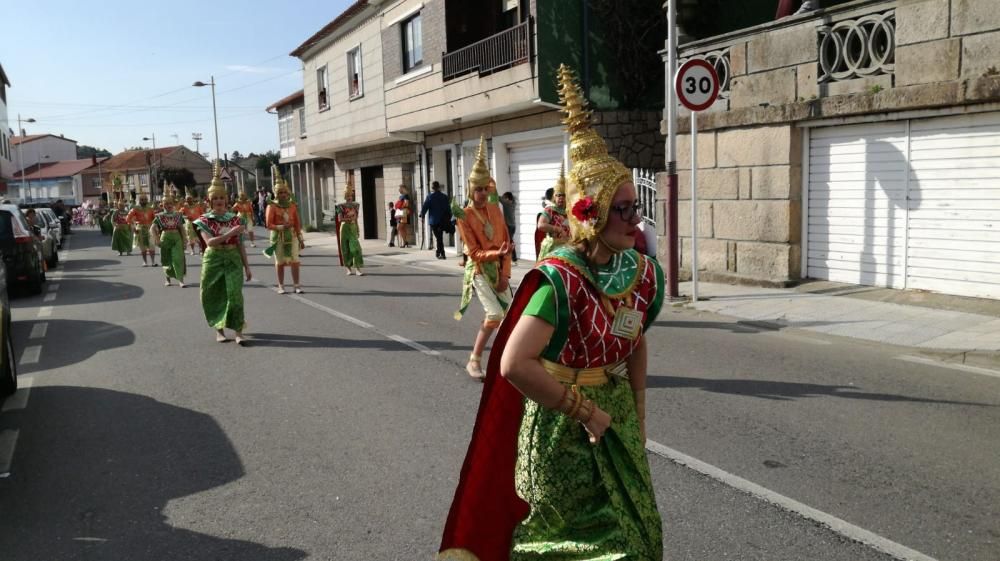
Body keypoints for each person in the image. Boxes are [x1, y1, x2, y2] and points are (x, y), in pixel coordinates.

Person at [438, 64, 666, 561]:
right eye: (623, 209)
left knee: (637, 535)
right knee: (568, 546)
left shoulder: (640, 272)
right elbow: (514, 364)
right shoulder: (558, 281)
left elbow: (637, 339)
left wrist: (637, 416)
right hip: (562, 427)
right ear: (592, 215)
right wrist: (586, 412)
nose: (636, 219)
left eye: (634, 207)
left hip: (617, 417)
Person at [453, 135, 513, 381]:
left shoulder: (495, 210)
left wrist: (506, 275)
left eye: (484, 188)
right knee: (496, 316)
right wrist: (496, 255)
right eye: (476, 189)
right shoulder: (464, 215)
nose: (481, 193)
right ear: (470, 189)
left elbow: (507, 245)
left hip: (499, 269)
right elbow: (475, 253)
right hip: (478, 269)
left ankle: (510, 362)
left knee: (511, 317)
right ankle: (474, 360)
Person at [194, 162, 252, 346]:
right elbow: (209, 242)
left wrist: (247, 267)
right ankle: (219, 330)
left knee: (235, 295)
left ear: (226, 199)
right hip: (213, 259)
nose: (219, 200)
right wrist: (230, 233)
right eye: (215, 198)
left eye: (221, 197)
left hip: (233, 258)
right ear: (209, 201)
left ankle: (238, 331)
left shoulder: (236, 219)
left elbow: (241, 244)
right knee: (213, 294)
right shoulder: (203, 221)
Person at [264, 166, 304, 294]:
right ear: (276, 194)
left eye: (284, 192)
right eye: (280, 192)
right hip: (278, 238)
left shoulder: (292, 206)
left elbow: (297, 223)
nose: (283, 195)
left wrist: (300, 238)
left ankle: (296, 285)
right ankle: (281, 285)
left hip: (291, 237)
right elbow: (268, 225)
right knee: (280, 262)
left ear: (287, 193)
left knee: (295, 261)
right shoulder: (272, 206)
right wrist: (281, 227)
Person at [150, 184, 188, 287]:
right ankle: (167, 279)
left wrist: (185, 240)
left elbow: (182, 228)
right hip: (165, 237)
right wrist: (157, 240)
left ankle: (180, 280)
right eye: (166, 203)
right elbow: (152, 228)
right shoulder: (159, 216)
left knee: (178, 258)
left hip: (176, 238)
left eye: (170, 203)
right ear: (162, 205)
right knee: (166, 259)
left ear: (173, 204)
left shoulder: (178, 215)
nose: (169, 205)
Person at [535, 165, 570, 261]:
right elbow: (541, 225)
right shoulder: (550, 210)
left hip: (568, 247)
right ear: (554, 197)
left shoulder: (570, 211)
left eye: (563, 196)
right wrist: (558, 229)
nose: (561, 198)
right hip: (554, 247)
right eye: (558, 195)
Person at [335, 176, 364, 276]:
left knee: (355, 248)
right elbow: (340, 219)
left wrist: (358, 228)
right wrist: (348, 219)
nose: (349, 198)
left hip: (353, 227)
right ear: (344, 196)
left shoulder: (356, 205)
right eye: (347, 196)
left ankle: (358, 268)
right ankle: (348, 268)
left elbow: (356, 218)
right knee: (345, 248)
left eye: (350, 195)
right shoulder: (341, 206)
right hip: (344, 228)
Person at [420, 180, 452, 260]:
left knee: (438, 237)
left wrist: (422, 215)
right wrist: (449, 217)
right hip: (443, 220)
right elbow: (448, 209)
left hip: (434, 221)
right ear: (438, 187)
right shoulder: (444, 197)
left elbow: (425, 207)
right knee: (439, 237)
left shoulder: (430, 196)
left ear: (432, 188)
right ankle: (439, 252)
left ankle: (441, 253)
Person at [127, 192, 157, 267]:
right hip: (140, 229)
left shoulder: (150, 208)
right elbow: (128, 219)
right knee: (142, 247)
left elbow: (155, 218)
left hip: (149, 229)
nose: (144, 201)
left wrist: (156, 227)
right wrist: (133, 228)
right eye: (142, 199)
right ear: (139, 200)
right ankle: (145, 262)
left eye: (145, 199)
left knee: (152, 245)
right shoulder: (135, 208)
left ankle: (153, 262)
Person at [500, 192, 518, 263]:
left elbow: (499, 198)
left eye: (505, 197)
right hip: (513, 226)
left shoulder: (507, 203)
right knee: (509, 240)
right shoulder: (513, 203)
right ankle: (511, 257)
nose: (504, 198)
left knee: (509, 241)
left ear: (507, 198)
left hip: (509, 226)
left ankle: (514, 258)